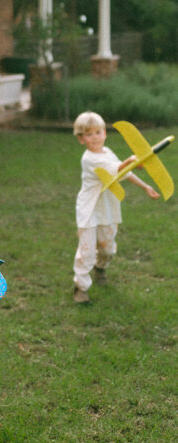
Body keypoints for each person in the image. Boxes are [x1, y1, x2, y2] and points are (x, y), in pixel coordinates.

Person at [72, 111, 159, 304]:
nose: (94, 137)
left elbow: (123, 172)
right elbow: (119, 168)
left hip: (107, 208)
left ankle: (100, 268)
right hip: (89, 210)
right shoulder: (88, 159)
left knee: (108, 248)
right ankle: (81, 288)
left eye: (98, 132)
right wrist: (132, 161)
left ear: (104, 133)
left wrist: (145, 186)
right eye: (88, 134)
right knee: (86, 252)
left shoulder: (108, 152)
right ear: (81, 139)